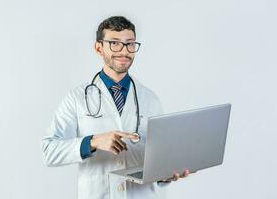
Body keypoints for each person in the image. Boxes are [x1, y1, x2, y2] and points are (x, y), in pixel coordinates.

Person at [41, 16, 191, 199]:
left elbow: (158, 160)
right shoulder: (77, 98)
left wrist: (166, 175)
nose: (124, 51)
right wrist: (93, 142)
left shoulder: (150, 99)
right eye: (115, 43)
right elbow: (49, 151)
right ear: (98, 48)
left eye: (130, 44)